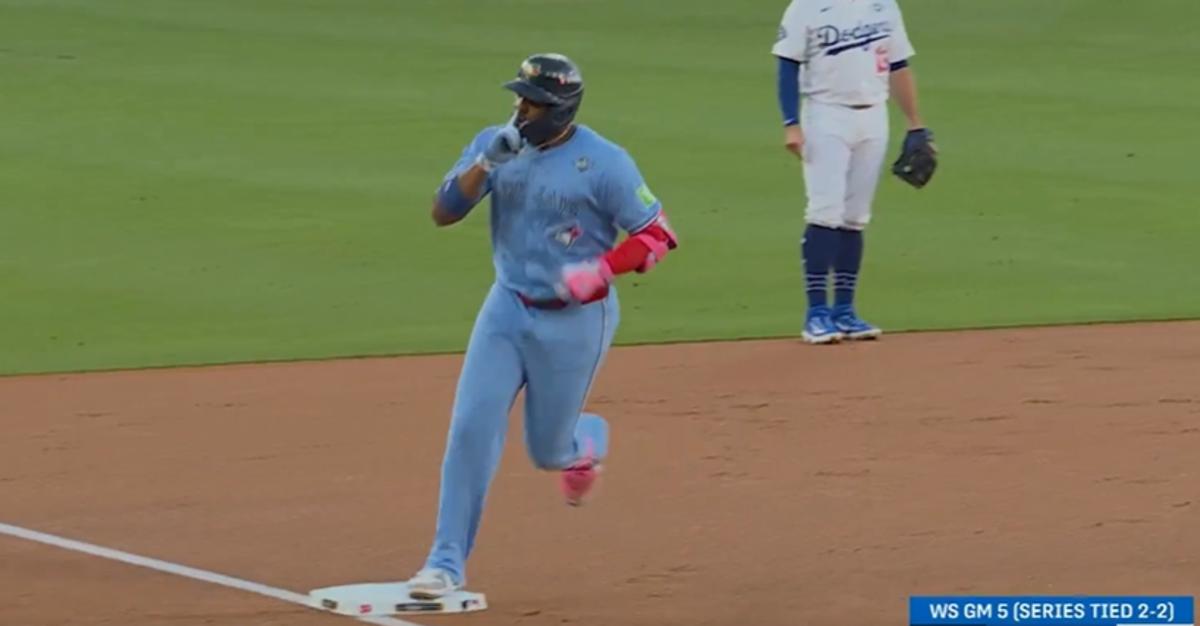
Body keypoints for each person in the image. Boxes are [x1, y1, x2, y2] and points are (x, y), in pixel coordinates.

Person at [405, 52, 679, 599]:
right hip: (506, 306)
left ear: (560, 110)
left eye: (532, 104)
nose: (520, 111)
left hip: (576, 322)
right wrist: (486, 162)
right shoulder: (497, 142)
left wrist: (602, 269)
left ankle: (583, 443)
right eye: (519, 100)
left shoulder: (605, 163)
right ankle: (445, 563)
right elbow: (442, 211)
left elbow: (657, 237)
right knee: (470, 428)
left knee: (546, 452)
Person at [772, 0, 935, 343]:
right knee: (824, 211)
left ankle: (844, 311)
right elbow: (787, 64)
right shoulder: (807, 7)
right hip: (825, 114)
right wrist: (791, 124)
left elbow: (898, 64)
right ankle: (816, 313)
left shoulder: (884, 6)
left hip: (874, 116)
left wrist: (915, 124)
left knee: (856, 217)